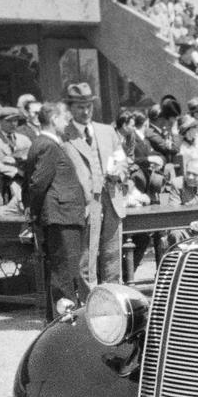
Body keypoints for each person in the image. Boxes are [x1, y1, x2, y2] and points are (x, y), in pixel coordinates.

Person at [26, 101, 89, 317]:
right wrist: (34, 216)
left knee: (65, 271)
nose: (67, 122)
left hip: (62, 216)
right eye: (64, 118)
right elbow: (38, 184)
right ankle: (65, 322)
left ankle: (59, 319)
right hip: (61, 217)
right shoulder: (48, 145)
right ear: (54, 119)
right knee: (65, 272)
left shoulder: (45, 144)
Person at [62, 81, 127, 286]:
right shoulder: (63, 135)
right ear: (70, 108)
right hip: (86, 203)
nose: (86, 111)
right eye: (80, 107)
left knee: (113, 255)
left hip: (112, 198)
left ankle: (112, 302)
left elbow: (122, 160)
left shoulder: (107, 131)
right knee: (86, 258)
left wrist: (120, 171)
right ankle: (88, 305)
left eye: (89, 106)